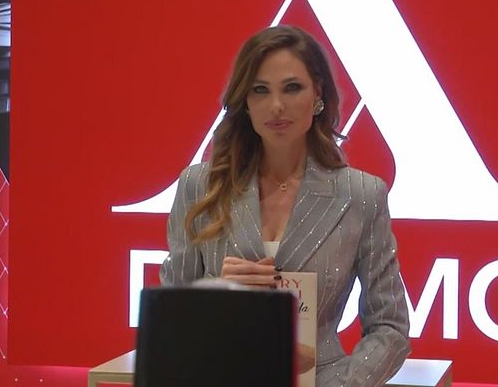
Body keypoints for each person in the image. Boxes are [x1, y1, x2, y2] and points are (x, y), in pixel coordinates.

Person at [160, 25, 410, 387]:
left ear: (318, 94)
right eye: (260, 90)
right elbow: (170, 316)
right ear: (245, 101)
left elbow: (390, 327)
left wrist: (342, 386)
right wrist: (216, 294)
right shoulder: (199, 186)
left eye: (292, 88)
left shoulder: (362, 195)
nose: (276, 105)